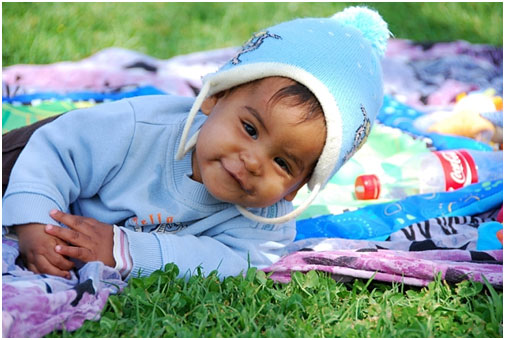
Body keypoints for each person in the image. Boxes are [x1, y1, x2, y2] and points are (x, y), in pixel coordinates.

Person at [2, 6, 390, 280]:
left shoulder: (266, 223)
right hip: (36, 154)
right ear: (215, 97)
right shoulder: (137, 128)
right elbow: (56, 153)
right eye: (250, 129)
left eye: (284, 164)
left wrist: (125, 250)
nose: (253, 161)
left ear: (301, 186)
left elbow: (235, 262)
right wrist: (34, 223)